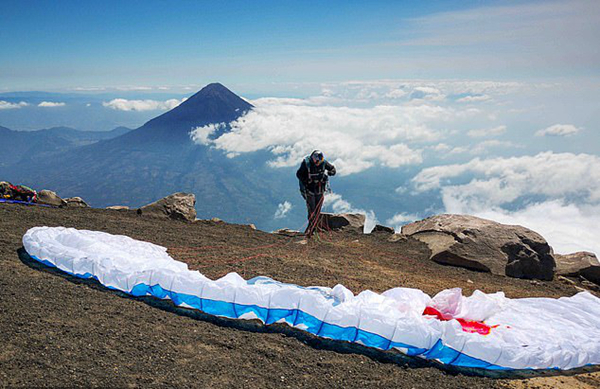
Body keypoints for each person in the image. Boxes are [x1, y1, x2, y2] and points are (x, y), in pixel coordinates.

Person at [296, 150, 336, 235]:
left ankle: (314, 228)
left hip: (319, 190)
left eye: (319, 161)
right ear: (312, 158)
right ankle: (312, 229)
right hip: (309, 191)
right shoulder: (306, 164)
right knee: (312, 210)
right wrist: (306, 181)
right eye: (316, 161)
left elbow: (332, 168)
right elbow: (299, 174)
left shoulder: (323, 163)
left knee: (317, 210)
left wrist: (331, 172)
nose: (317, 163)